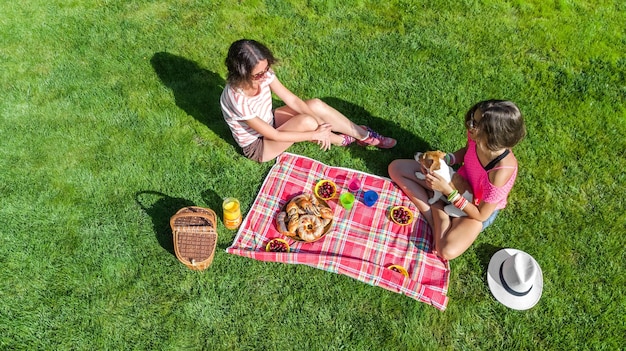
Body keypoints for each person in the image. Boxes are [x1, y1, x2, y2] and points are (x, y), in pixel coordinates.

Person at [388, 100, 526, 260]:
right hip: (455, 180)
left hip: (472, 209)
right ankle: (436, 220)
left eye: (475, 123)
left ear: (492, 135)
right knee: (396, 169)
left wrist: (446, 191)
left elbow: (481, 214)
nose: (469, 124)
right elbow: (467, 151)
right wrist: (447, 159)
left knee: (445, 251)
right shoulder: (477, 137)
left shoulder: (500, 171)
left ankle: (437, 206)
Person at [220, 39, 396, 163]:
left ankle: (363, 135)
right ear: (241, 73)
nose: (266, 75)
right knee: (306, 121)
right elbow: (273, 135)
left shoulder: (263, 74)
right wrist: (315, 134)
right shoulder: (237, 99)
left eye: (267, 68)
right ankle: (342, 141)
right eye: (259, 74)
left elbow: (292, 99)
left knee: (315, 105)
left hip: (270, 122)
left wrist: (321, 124)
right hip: (259, 145)